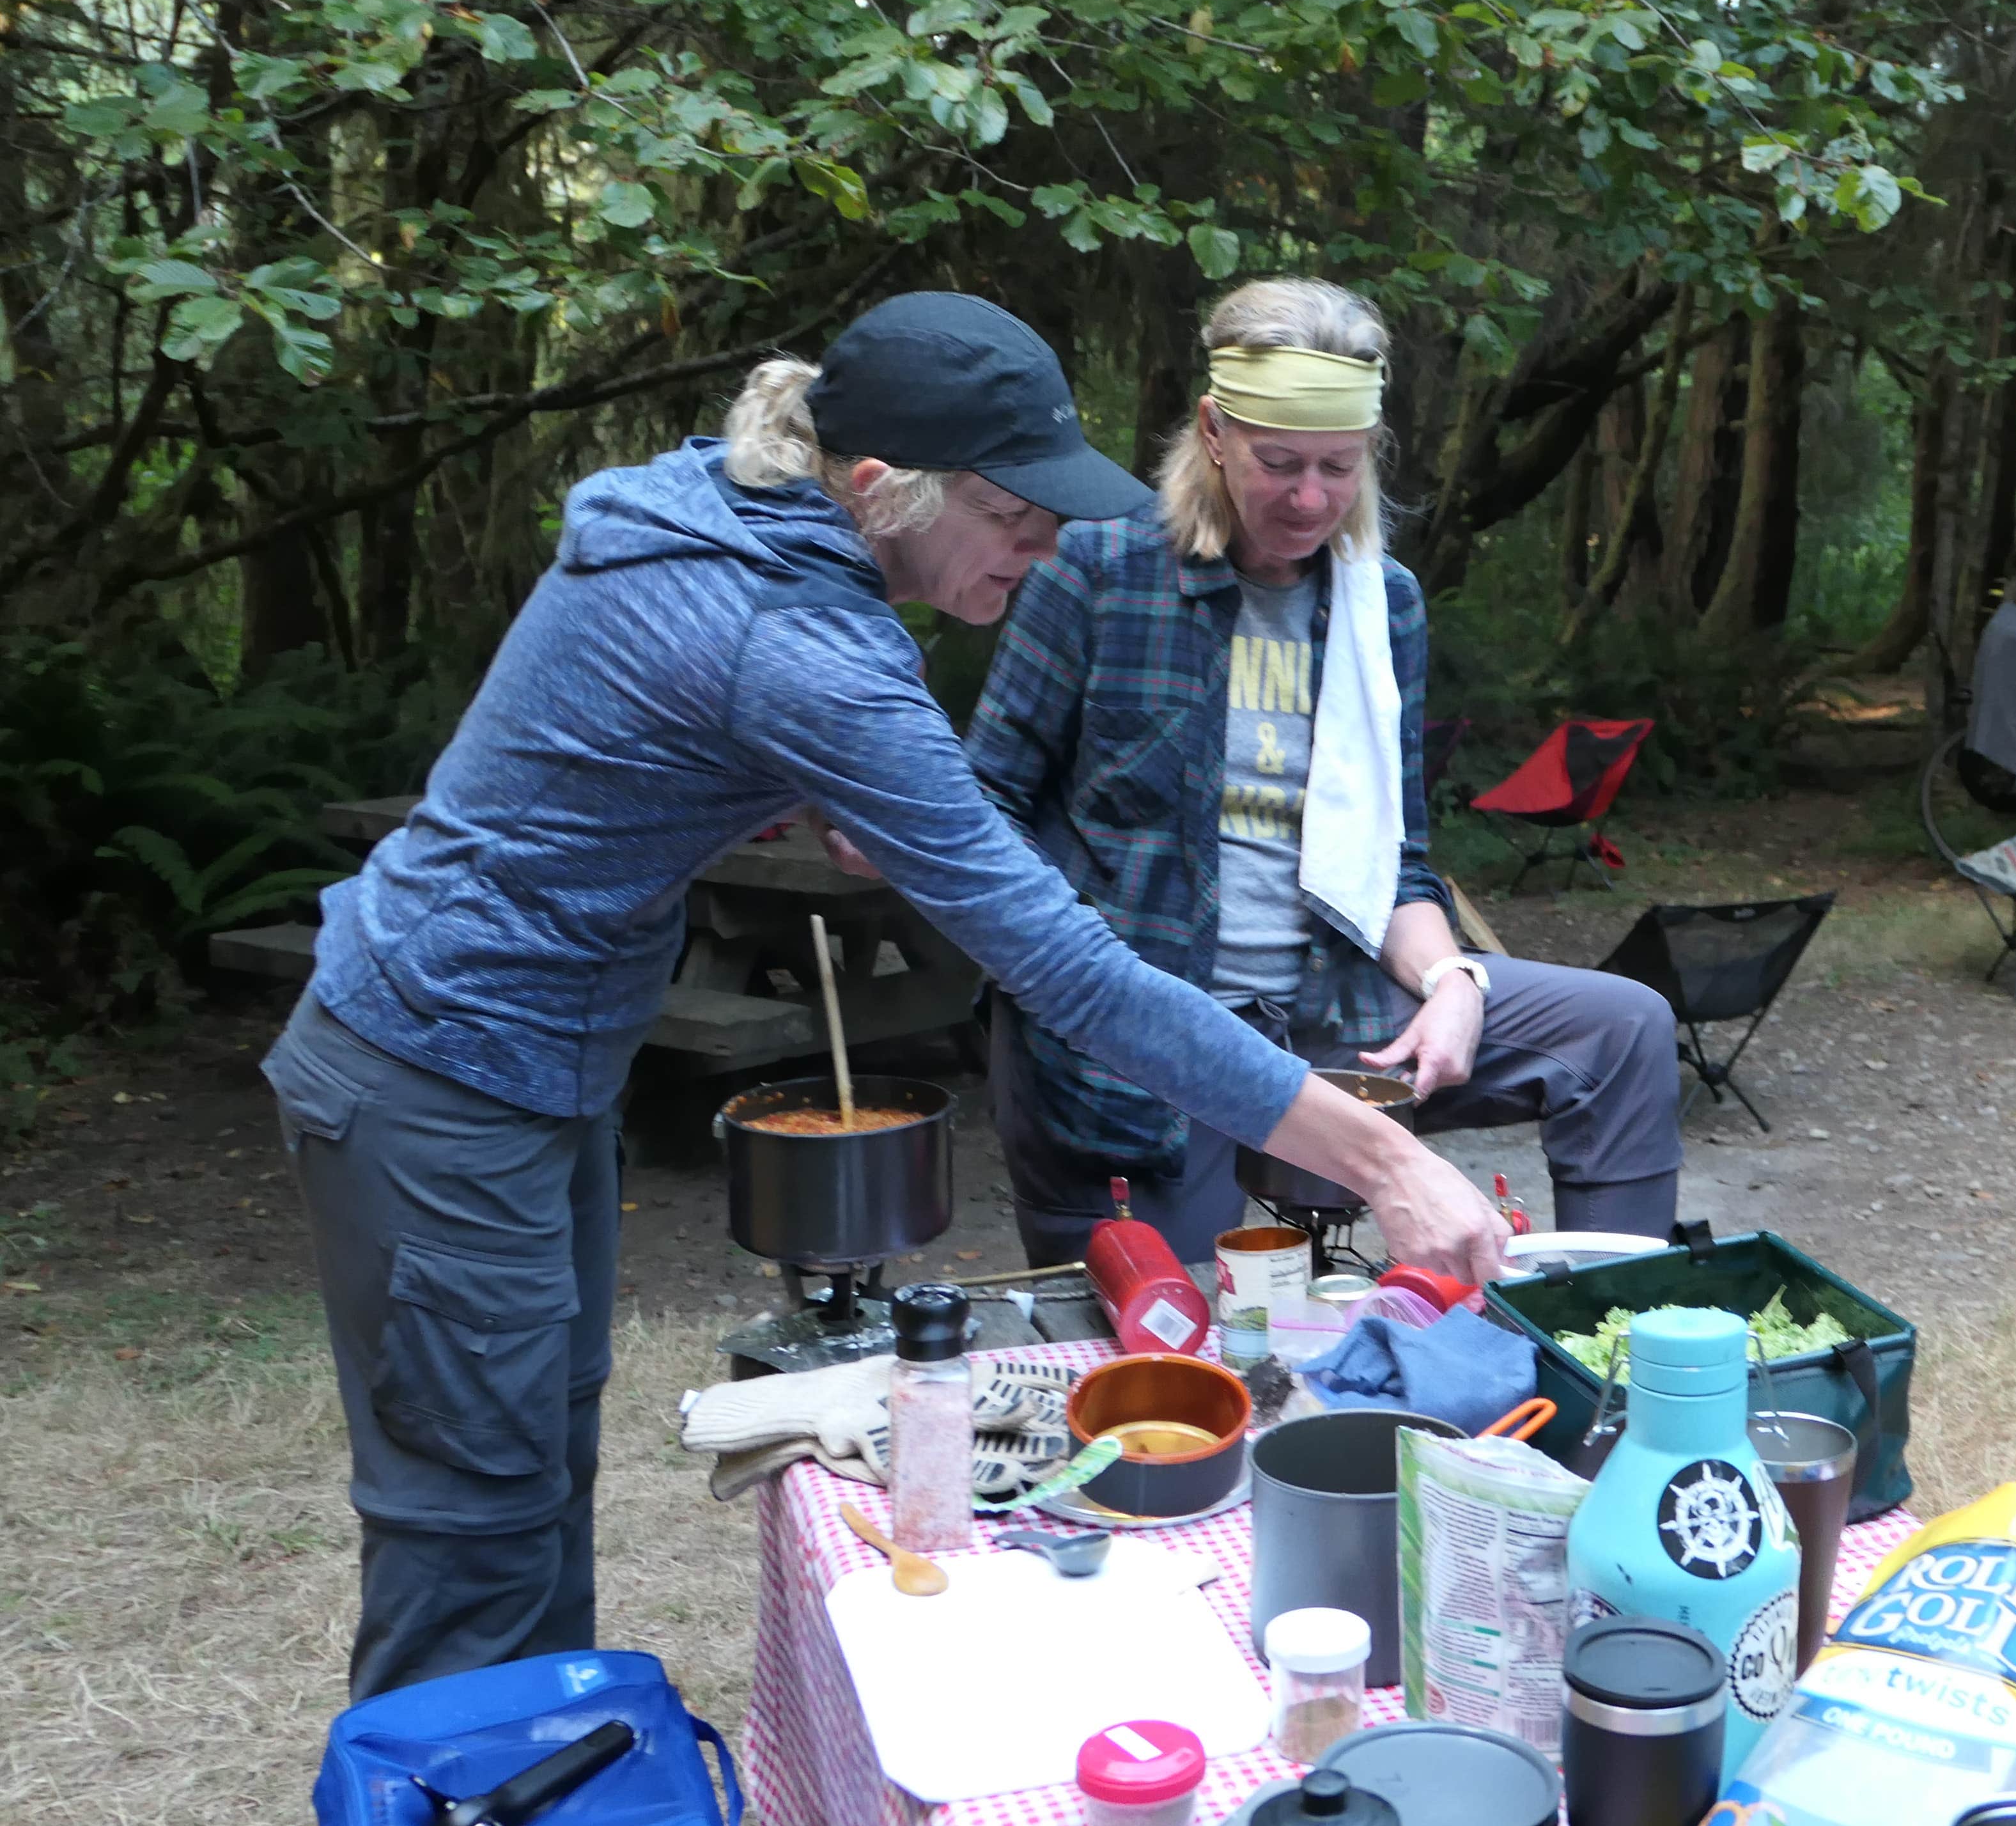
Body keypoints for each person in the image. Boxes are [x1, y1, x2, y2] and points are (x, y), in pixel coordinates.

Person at [264, 292, 1505, 1699]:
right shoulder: (794, 638)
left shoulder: (731, 519)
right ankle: (445, 1799)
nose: (1047, 549)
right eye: (1013, 517)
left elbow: (645, 732)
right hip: (436, 1069)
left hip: (532, 1069)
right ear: (880, 486)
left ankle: (541, 1784)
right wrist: (1387, 1162)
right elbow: (1067, 967)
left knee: (540, 1465)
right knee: (472, 1526)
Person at [965, 277, 1686, 1267]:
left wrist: (1453, 980)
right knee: (1181, 1326)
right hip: (1146, 1041)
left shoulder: (1381, 602)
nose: (1311, 499)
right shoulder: (1096, 573)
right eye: (1280, 464)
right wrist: (1080, 983)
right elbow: (985, 810)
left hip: (1332, 1010)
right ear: (1215, 432)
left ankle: (1614, 1317)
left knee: (1621, 1030)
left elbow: (1396, 858)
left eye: (1339, 468)